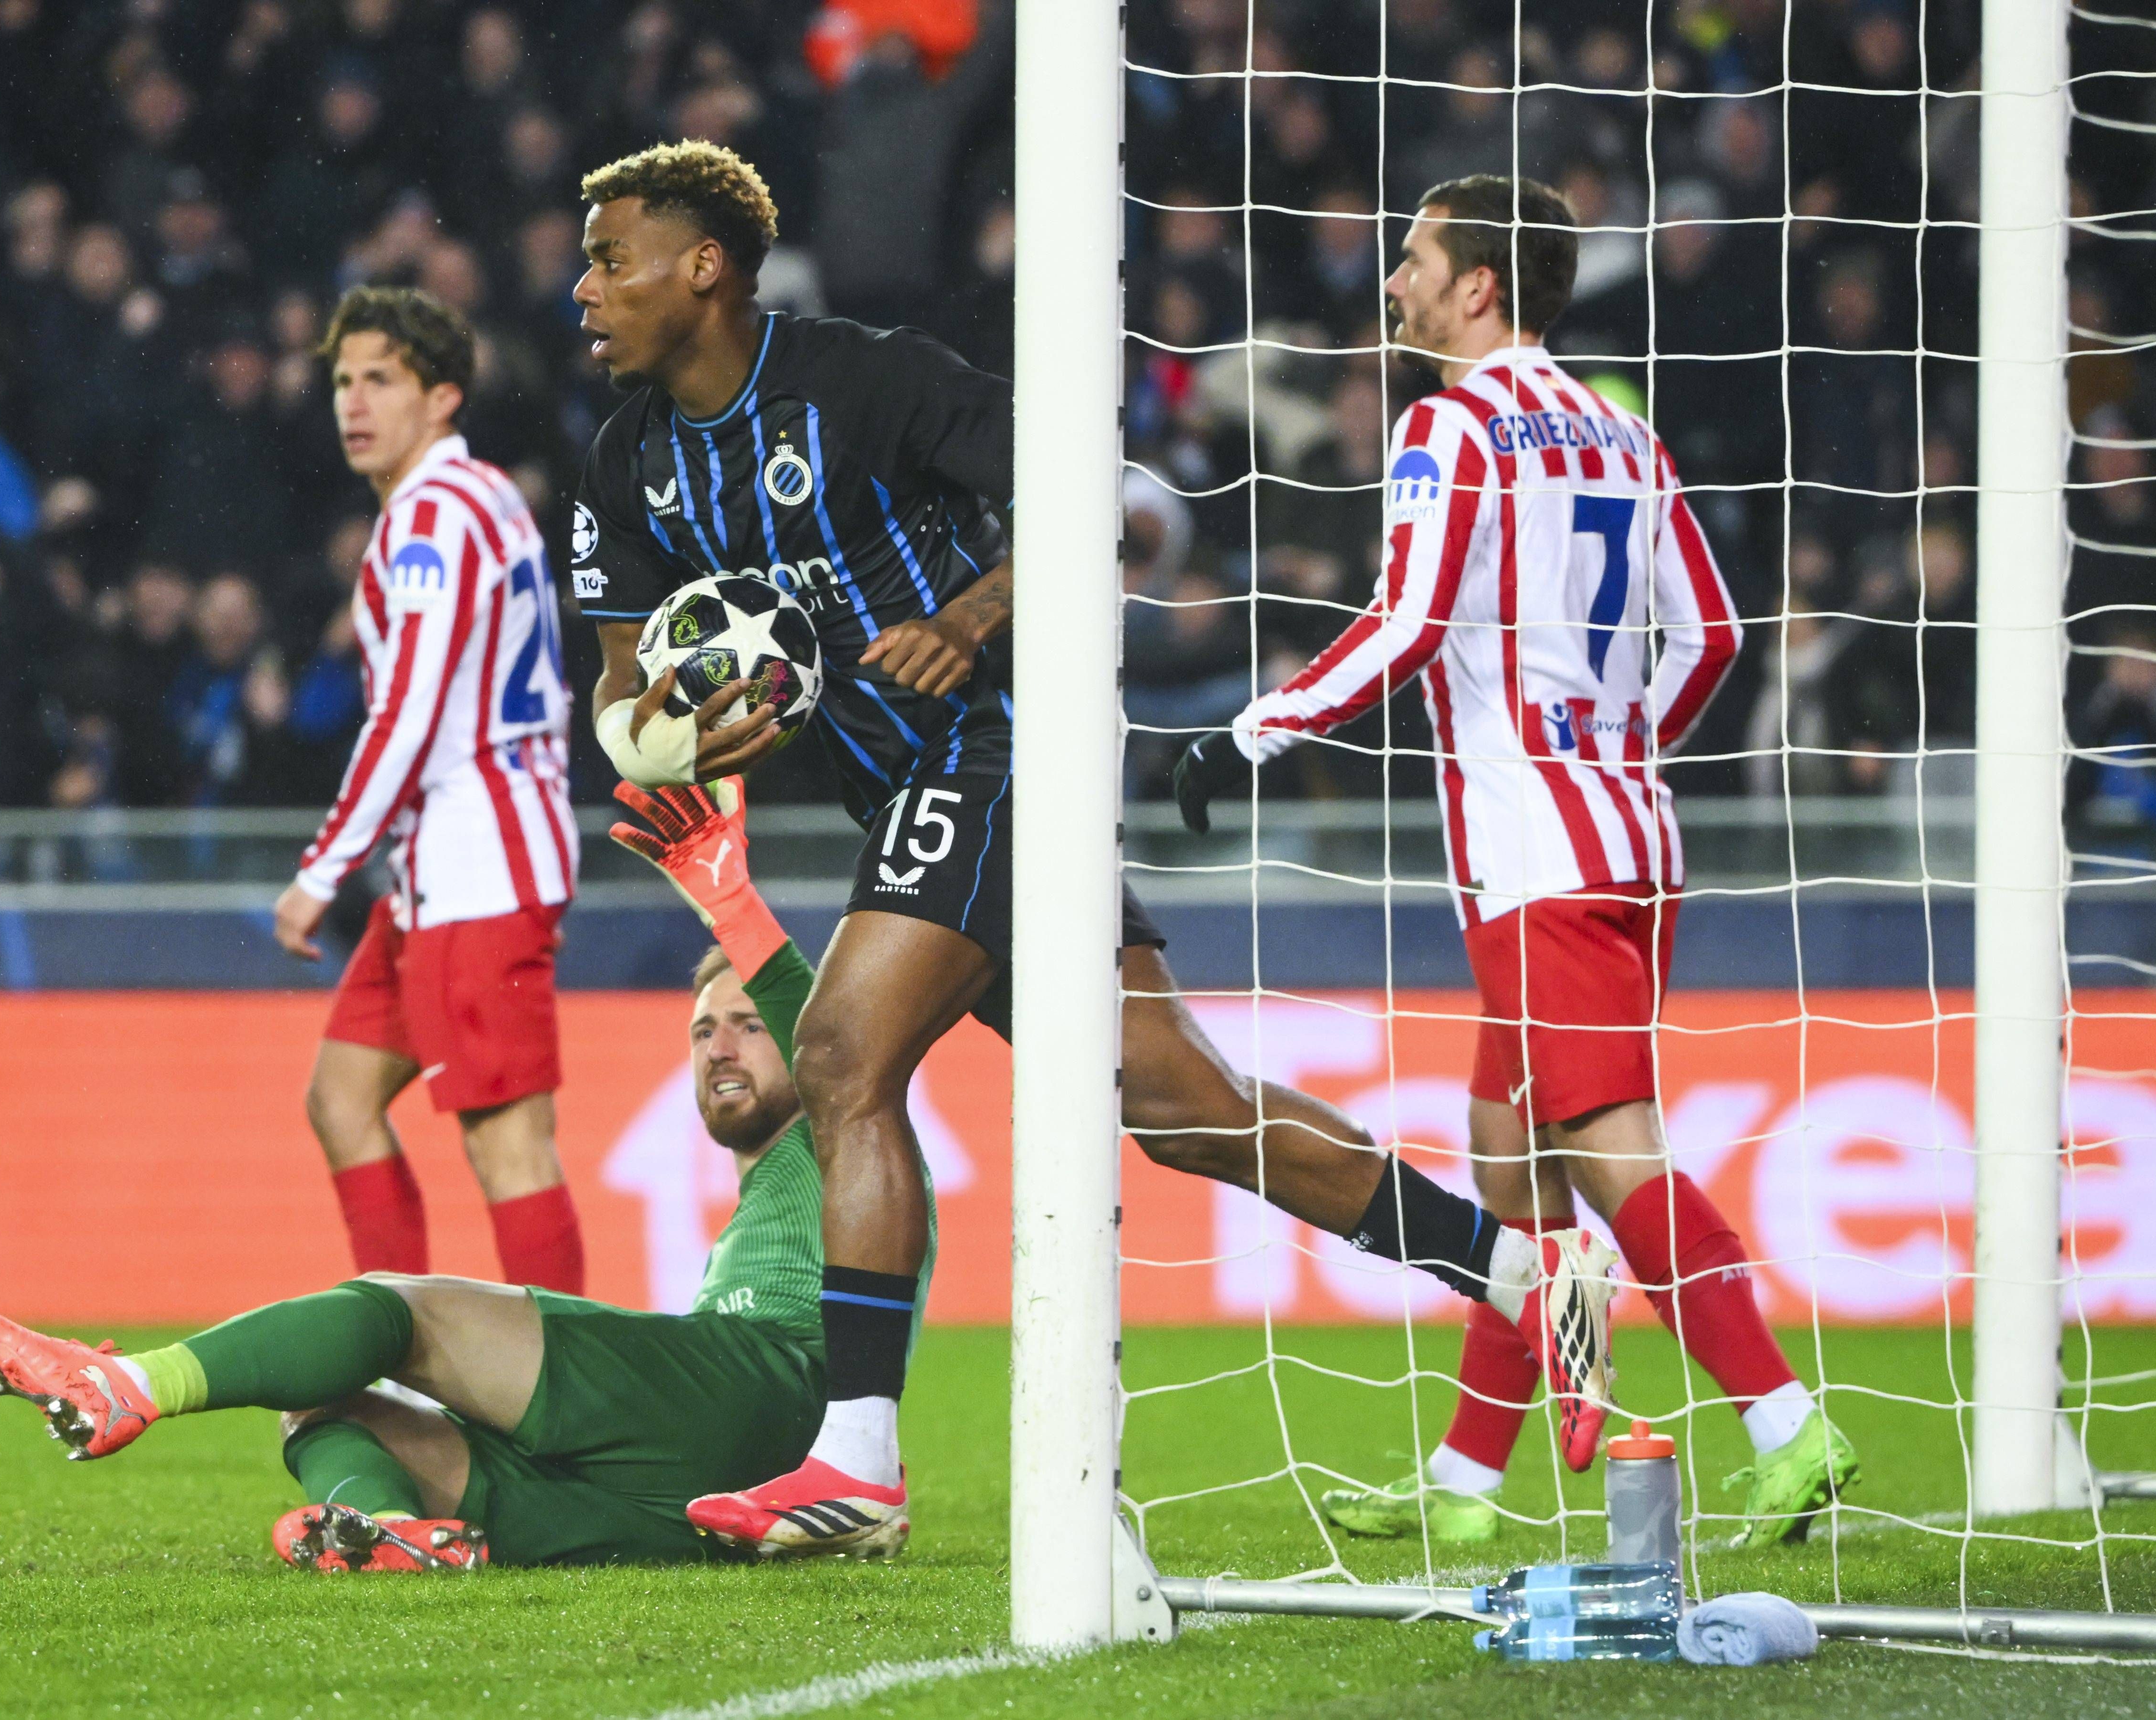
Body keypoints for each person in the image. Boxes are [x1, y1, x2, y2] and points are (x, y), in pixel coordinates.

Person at [567, 141, 1614, 1559]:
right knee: (1185, 1106)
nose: (585, 289)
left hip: (993, 748)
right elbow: (621, 691)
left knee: (840, 1056)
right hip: (900, 796)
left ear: (703, 267)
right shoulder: (622, 464)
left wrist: (972, 614)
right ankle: (1524, 1270)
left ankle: (857, 1460)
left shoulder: (863, 380)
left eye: (610, 258)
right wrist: (670, 740)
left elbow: (1105, 502)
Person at [1175, 173, 1859, 1548]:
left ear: (1478, 285)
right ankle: (1469, 1479)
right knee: (1512, 1164)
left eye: (1414, 259)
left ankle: (1787, 1421)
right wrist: (1615, 746)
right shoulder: (1622, 424)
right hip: (1631, 835)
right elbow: (1713, 633)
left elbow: (1409, 619)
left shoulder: (1449, 423)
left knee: (1610, 1150)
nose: (1394, 282)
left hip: (1538, 856)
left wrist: (1248, 731)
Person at [0, 779, 933, 1569]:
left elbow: (825, 1030)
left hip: (776, 1393)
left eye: (748, 1025)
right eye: (703, 1029)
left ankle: (127, 1382)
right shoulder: (767, 1207)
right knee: (322, 1402)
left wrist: (729, 900)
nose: (720, 1045)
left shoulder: (854, 1133)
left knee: (398, 1310)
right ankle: (385, 1529)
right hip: (712, 1495)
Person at [267, 285, 585, 1298]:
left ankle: (575, 1386)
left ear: (443, 396)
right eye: (343, 381)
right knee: (342, 1097)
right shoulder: (483, 497)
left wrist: (323, 869)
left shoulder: (431, 519)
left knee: (508, 1144)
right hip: (443, 868)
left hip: (478, 856)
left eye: (382, 380)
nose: (354, 403)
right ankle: (400, 1353)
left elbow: (409, 710)